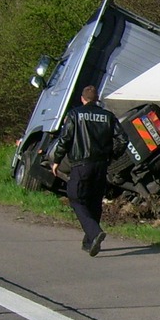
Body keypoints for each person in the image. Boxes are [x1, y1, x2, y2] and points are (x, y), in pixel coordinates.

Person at [51, 85, 124, 256]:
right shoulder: (108, 116)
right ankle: (90, 242)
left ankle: (94, 233)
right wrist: (112, 156)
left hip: (82, 164)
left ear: (82, 99)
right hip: (101, 164)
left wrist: (56, 160)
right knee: (94, 201)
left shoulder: (75, 114)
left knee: (75, 197)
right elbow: (122, 139)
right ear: (96, 99)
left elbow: (65, 138)